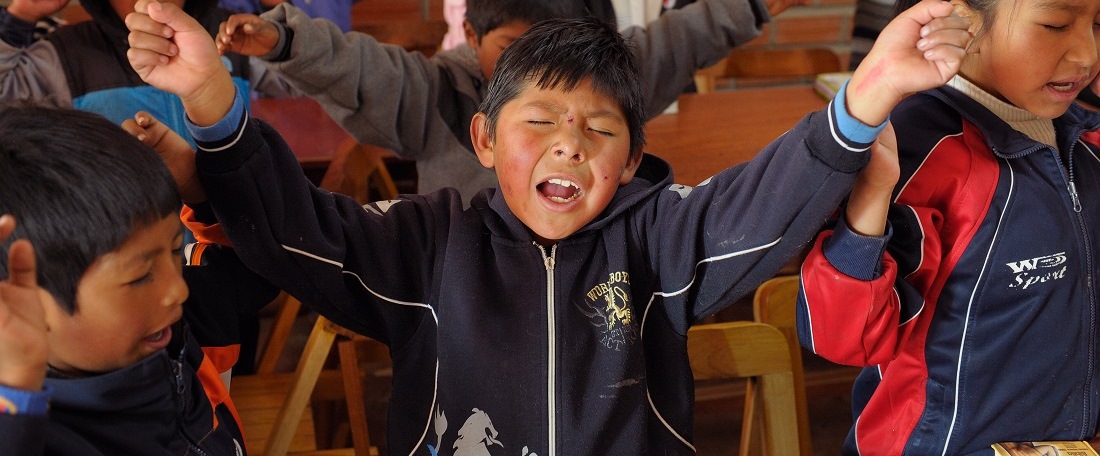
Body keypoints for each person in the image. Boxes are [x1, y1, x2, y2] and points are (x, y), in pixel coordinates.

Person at [124, 0, 969, 451]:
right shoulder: (425, 244)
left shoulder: (658, 240)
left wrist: (864, 100)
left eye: (599, 130)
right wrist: (209, 99)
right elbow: (296, 228)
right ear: (485, 140)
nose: (569, 142)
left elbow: (752, 205)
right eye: (540, 122)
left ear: (632, 158)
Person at [794, 0, 1100, 452]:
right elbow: (843, 337)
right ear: (960, 22)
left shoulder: (1085, 137)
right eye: (1055, 25)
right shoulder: (916, 147)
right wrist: (872, 199)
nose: (1086, 54)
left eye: (1098, 24)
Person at [211, 0, 800, 204]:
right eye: (516, 49)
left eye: (553, 44)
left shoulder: (601, 73)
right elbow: (363, 66)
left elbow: (685, 35)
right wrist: (287, 39)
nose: (541, 71)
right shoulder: (437, 92)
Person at [0, 104, 278, 454]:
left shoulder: (183, 321)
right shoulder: (37, 434)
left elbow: (266, 268)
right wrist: (15, 398)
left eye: (176, 250)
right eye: (140, 276)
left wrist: (199, 192)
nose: (176, 289)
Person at [0, 0, 299, 147]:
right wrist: (22, 14)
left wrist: (277, 38)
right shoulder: (69, 51)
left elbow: (303, 82)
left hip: (229, 238)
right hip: (123, 248)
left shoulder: (230, 32)